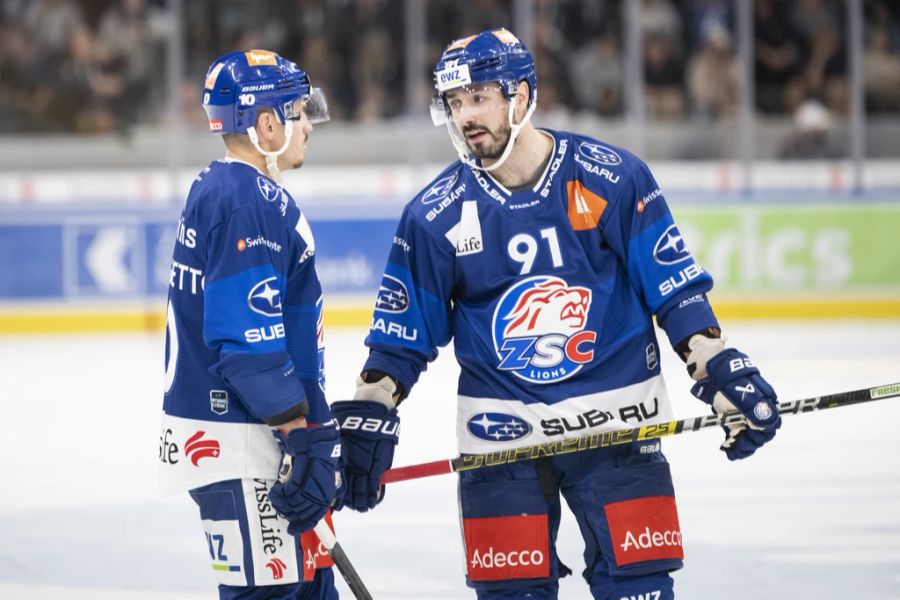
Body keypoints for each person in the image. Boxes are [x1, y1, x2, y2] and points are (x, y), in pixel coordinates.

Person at [331, 28, 781, 599]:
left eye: (479, 97)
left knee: (639, 589)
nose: (466, 116)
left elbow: (674, 290)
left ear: (520, 95)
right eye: (455, 102)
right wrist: (371, 411)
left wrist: (717, 369)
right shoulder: (433, 215)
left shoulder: (612, 177)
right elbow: (399, 341)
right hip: (501, 446)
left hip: (618, 432)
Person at [158, 49, 342, 599]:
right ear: (266, 124)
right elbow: (247, 340)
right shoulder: (247, 200)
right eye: (298, 112)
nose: (308, 124)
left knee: (310, 590)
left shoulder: (227, 188)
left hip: (258, 443)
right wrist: (298, 436)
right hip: (247, 449)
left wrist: (311, 430)